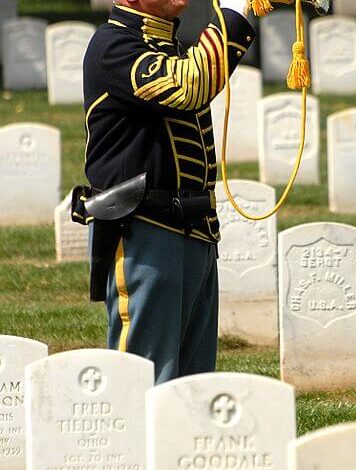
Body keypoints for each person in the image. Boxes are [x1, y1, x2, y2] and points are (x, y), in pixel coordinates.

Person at [79, 0, 255, 384]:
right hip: (145, 231)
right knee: (145, 379)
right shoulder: (113, 45)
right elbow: (189, 86)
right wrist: (236, 13)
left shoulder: (168, 47)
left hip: (196, 232)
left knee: (192, 388)